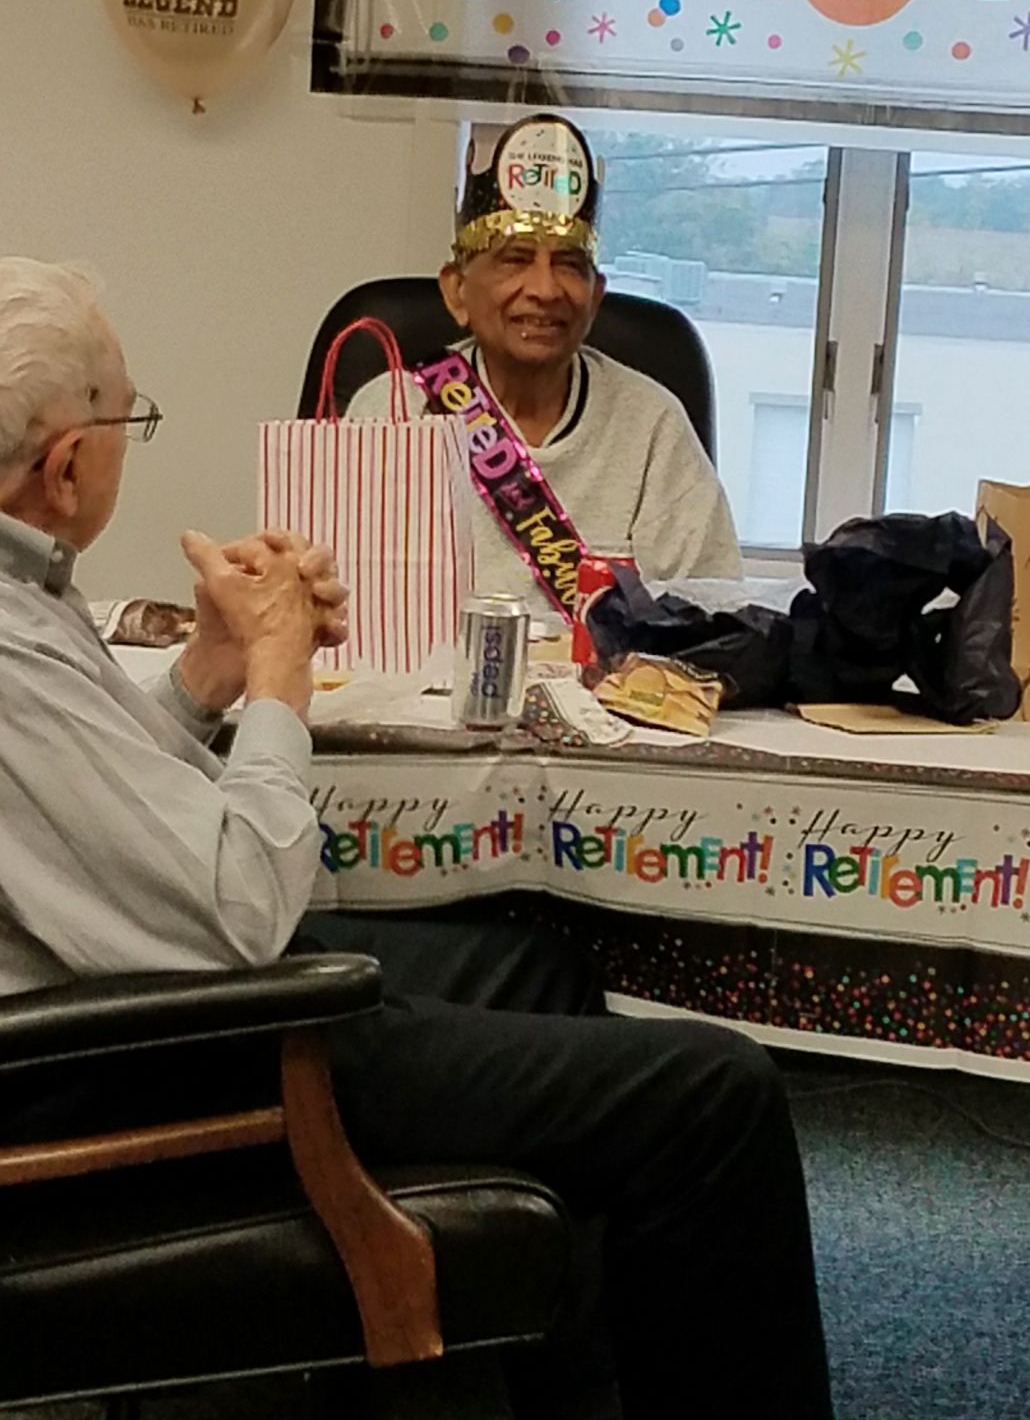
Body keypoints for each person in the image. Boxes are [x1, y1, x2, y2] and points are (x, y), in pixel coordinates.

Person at [0, 257, 834, 1420]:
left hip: (144, 983)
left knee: (541, 962)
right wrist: (281, 678)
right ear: (65, 465)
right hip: (157, 1043)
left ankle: (554, 1375)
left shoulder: (27, 598)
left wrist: (208, 673)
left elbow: (81, 802)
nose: (543, 286)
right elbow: (244, 906)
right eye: (128, 421)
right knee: (719, 1092)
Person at [347, 113, 741, 620]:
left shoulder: (652, 424)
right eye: (515, 259)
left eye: (569, 265)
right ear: (457, 291)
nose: (545, 289)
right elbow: (338, 603)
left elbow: (709, 613)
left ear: (595, 297)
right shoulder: (392, 410)